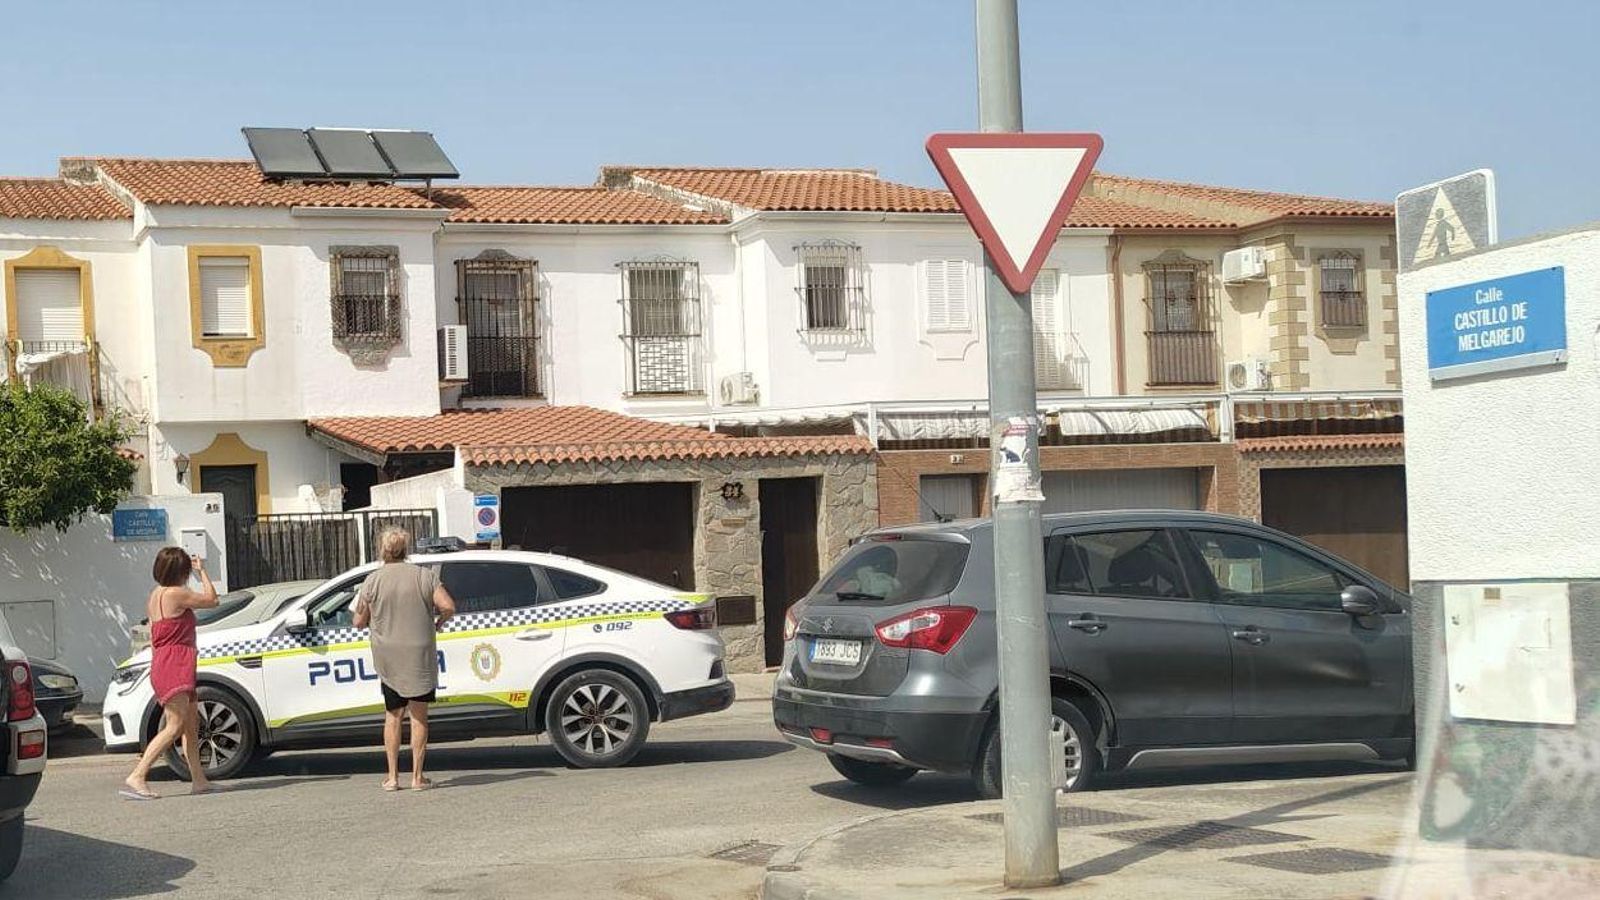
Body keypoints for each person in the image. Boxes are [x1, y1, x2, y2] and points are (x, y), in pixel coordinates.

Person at [353, 528, 456, 791]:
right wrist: (437, 624)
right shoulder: (424, 576)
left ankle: (392, 777)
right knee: (419, 716)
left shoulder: (372, 580)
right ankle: (417, 777)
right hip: (419, 653)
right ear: (405, 549)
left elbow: (358, 621)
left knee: (393, 715)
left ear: (383, 550)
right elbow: (448, 606)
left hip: (388, 655)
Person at [122, 546, 220, 800]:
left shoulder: (156, 595)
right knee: (174, 725)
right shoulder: (177, 593)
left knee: (190, 724)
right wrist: (204, 572)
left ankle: (199, 780)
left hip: (168, 662)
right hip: (175, 664)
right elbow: (212, 599)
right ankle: (138, 774)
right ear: (182, 570)